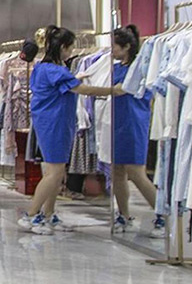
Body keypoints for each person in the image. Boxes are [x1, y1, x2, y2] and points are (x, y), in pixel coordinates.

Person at [21, 25, 125, 235]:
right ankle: (31, 214)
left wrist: (78, 78)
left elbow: (66, 86)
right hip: (55, 123)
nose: (71, 52)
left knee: (55, 172)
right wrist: (112, 90)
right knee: (54, 172)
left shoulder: (43, 68)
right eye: (70, 48)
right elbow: (81, 89)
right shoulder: (56, 71)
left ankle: (48, 213)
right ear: (63, 47)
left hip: (51, 122)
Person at [107, 25, 167, 238]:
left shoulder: (140, 68)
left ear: (127, 46)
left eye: (114, 46)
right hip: (117, 122)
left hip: (134, 122)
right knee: (117, 171)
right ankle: (124, 215)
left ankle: (162, 216)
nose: (112, 50)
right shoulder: (116, 68)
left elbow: (125, 91)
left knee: (136, 173)